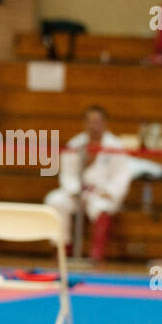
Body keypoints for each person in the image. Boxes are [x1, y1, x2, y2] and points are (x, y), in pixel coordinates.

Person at [44, 105, 131, 263]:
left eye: (97, 122)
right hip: (76, 191)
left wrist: (111, 192)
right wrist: (74, 190)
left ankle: (97, 252)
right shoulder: (75, 144)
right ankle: (62, 247)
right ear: (84, 123)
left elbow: (122, 176)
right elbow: (67, 173)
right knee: (55, 200)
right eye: (90, 122)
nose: (93, 126)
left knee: (102, 207)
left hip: (101, 192)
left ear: (105, 123)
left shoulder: (115, 147)